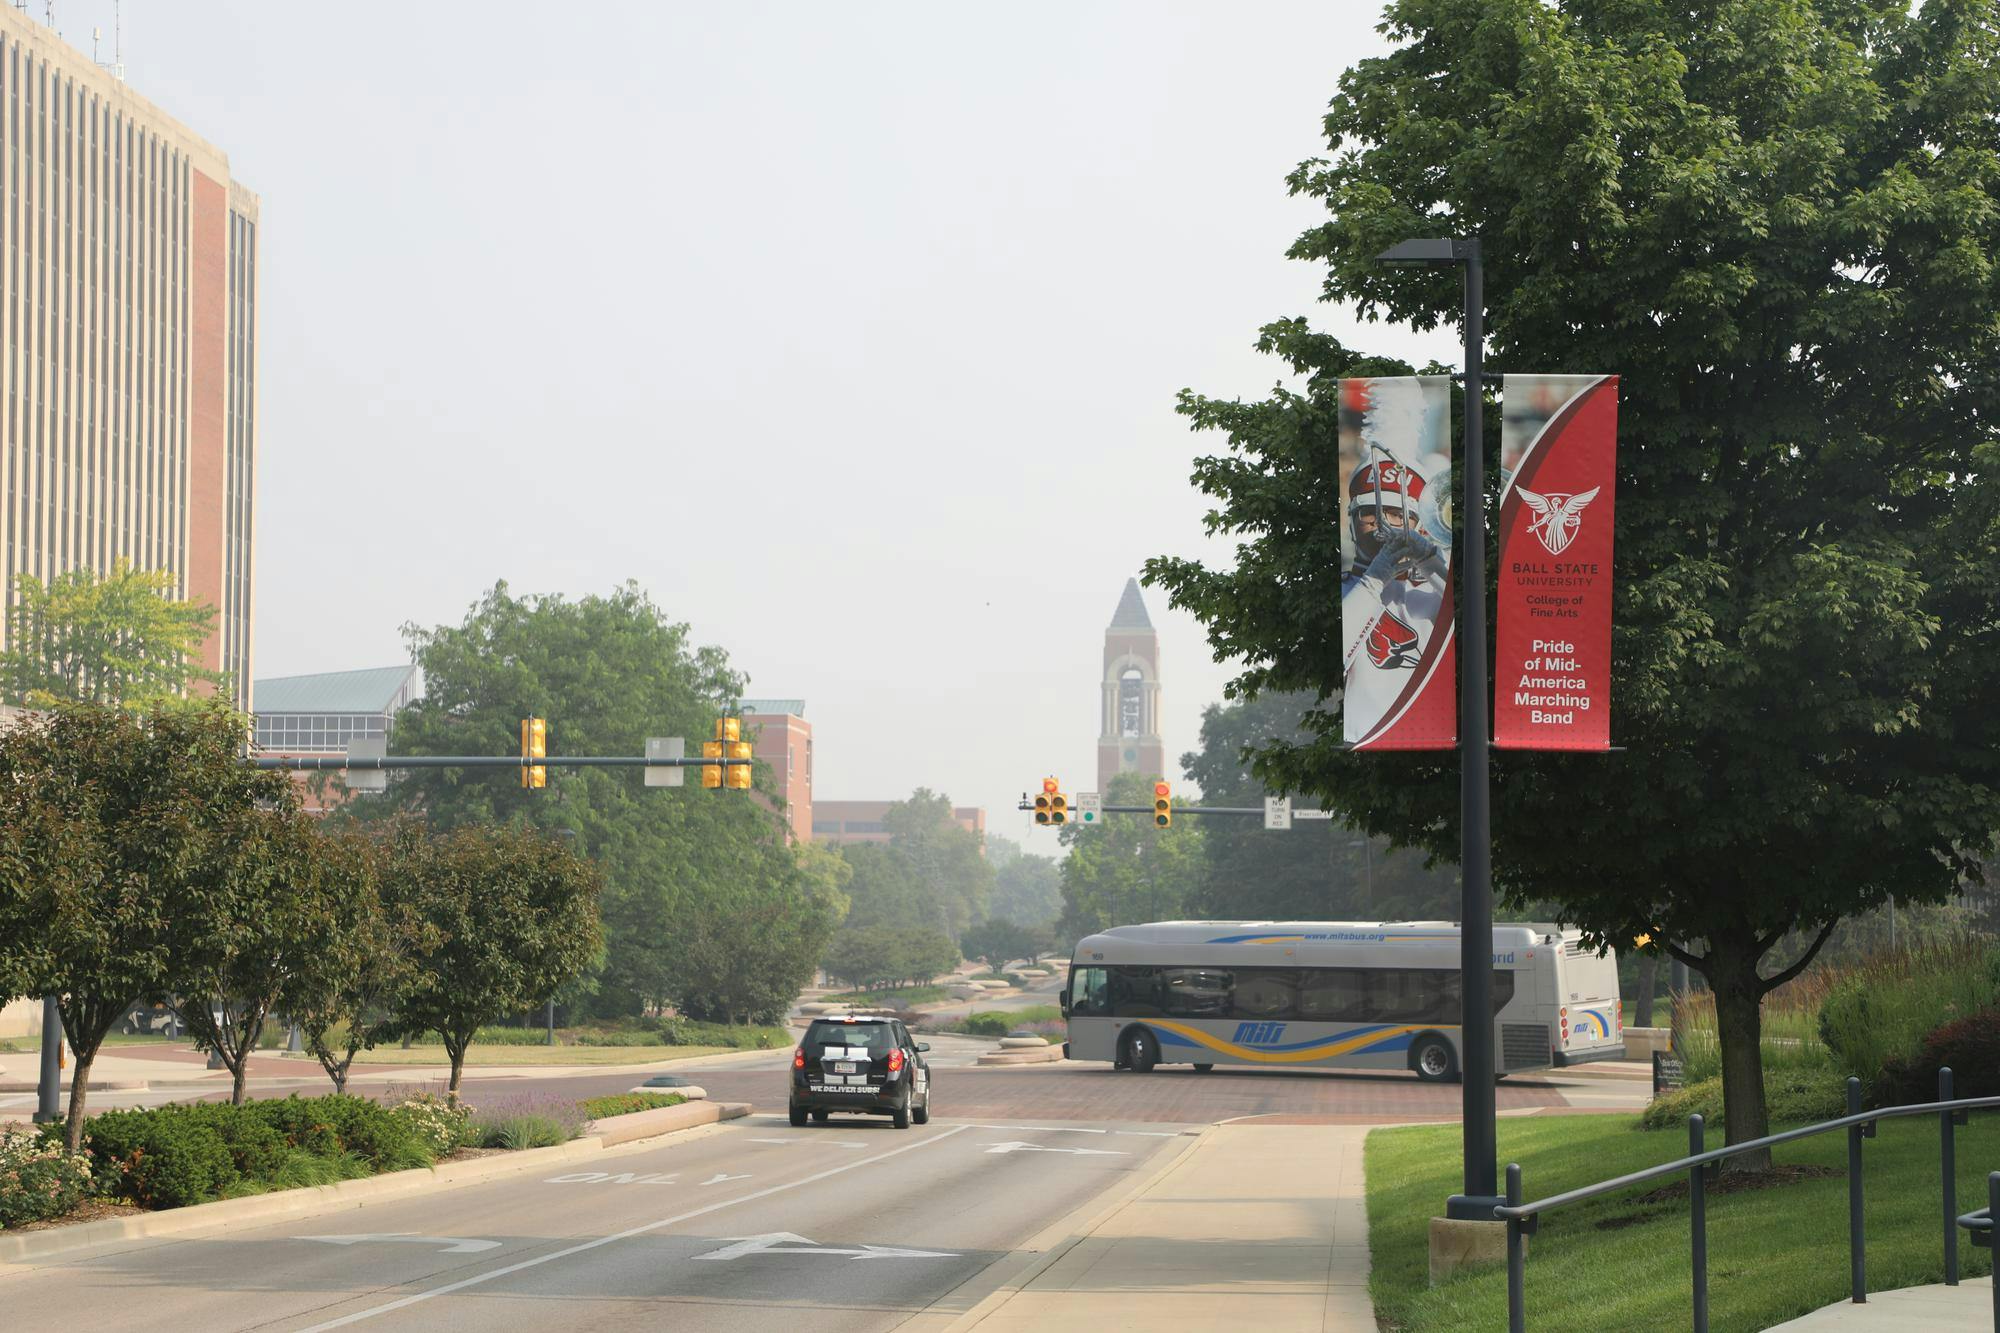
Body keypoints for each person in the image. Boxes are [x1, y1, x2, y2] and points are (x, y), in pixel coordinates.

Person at [1341, 460, 1448, 732]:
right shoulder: (1343, 591)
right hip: (1361, 735)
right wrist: (1372, 582)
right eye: (1371, 514)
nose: (1385, 525)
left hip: (1427, 730)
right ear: (1353, 522)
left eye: (1400, 515)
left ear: (1419, 524)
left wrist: (1429, 558)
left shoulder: (1435, 588)